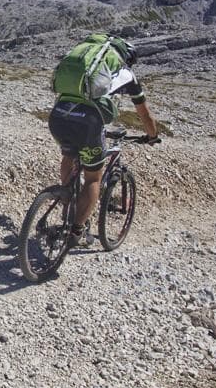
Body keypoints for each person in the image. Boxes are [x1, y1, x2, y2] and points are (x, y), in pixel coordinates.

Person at [47, 33, 159, 249]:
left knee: (69, 155)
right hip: (87, 124)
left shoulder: (87, 66)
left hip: (58, 116)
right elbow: (144, 115)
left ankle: (67, 197)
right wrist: (152, 136)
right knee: (93, 179)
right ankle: (76, 230)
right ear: (127, 58)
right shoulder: (126, 74)